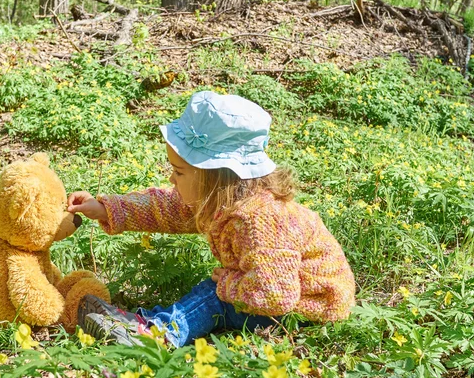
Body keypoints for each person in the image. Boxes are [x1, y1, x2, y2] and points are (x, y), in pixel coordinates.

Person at [67, 91, 355, 347]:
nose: (171, 178)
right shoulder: (226, 200)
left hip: (306, 310)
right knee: (217, 293)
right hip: (281, 297)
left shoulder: (262, 221)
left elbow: (276, 295)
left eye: (179, 172)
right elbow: (168, 208)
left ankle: (156, 332)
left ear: (216, 177)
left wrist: (229, 283)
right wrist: (107, 208)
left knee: (213, 296)